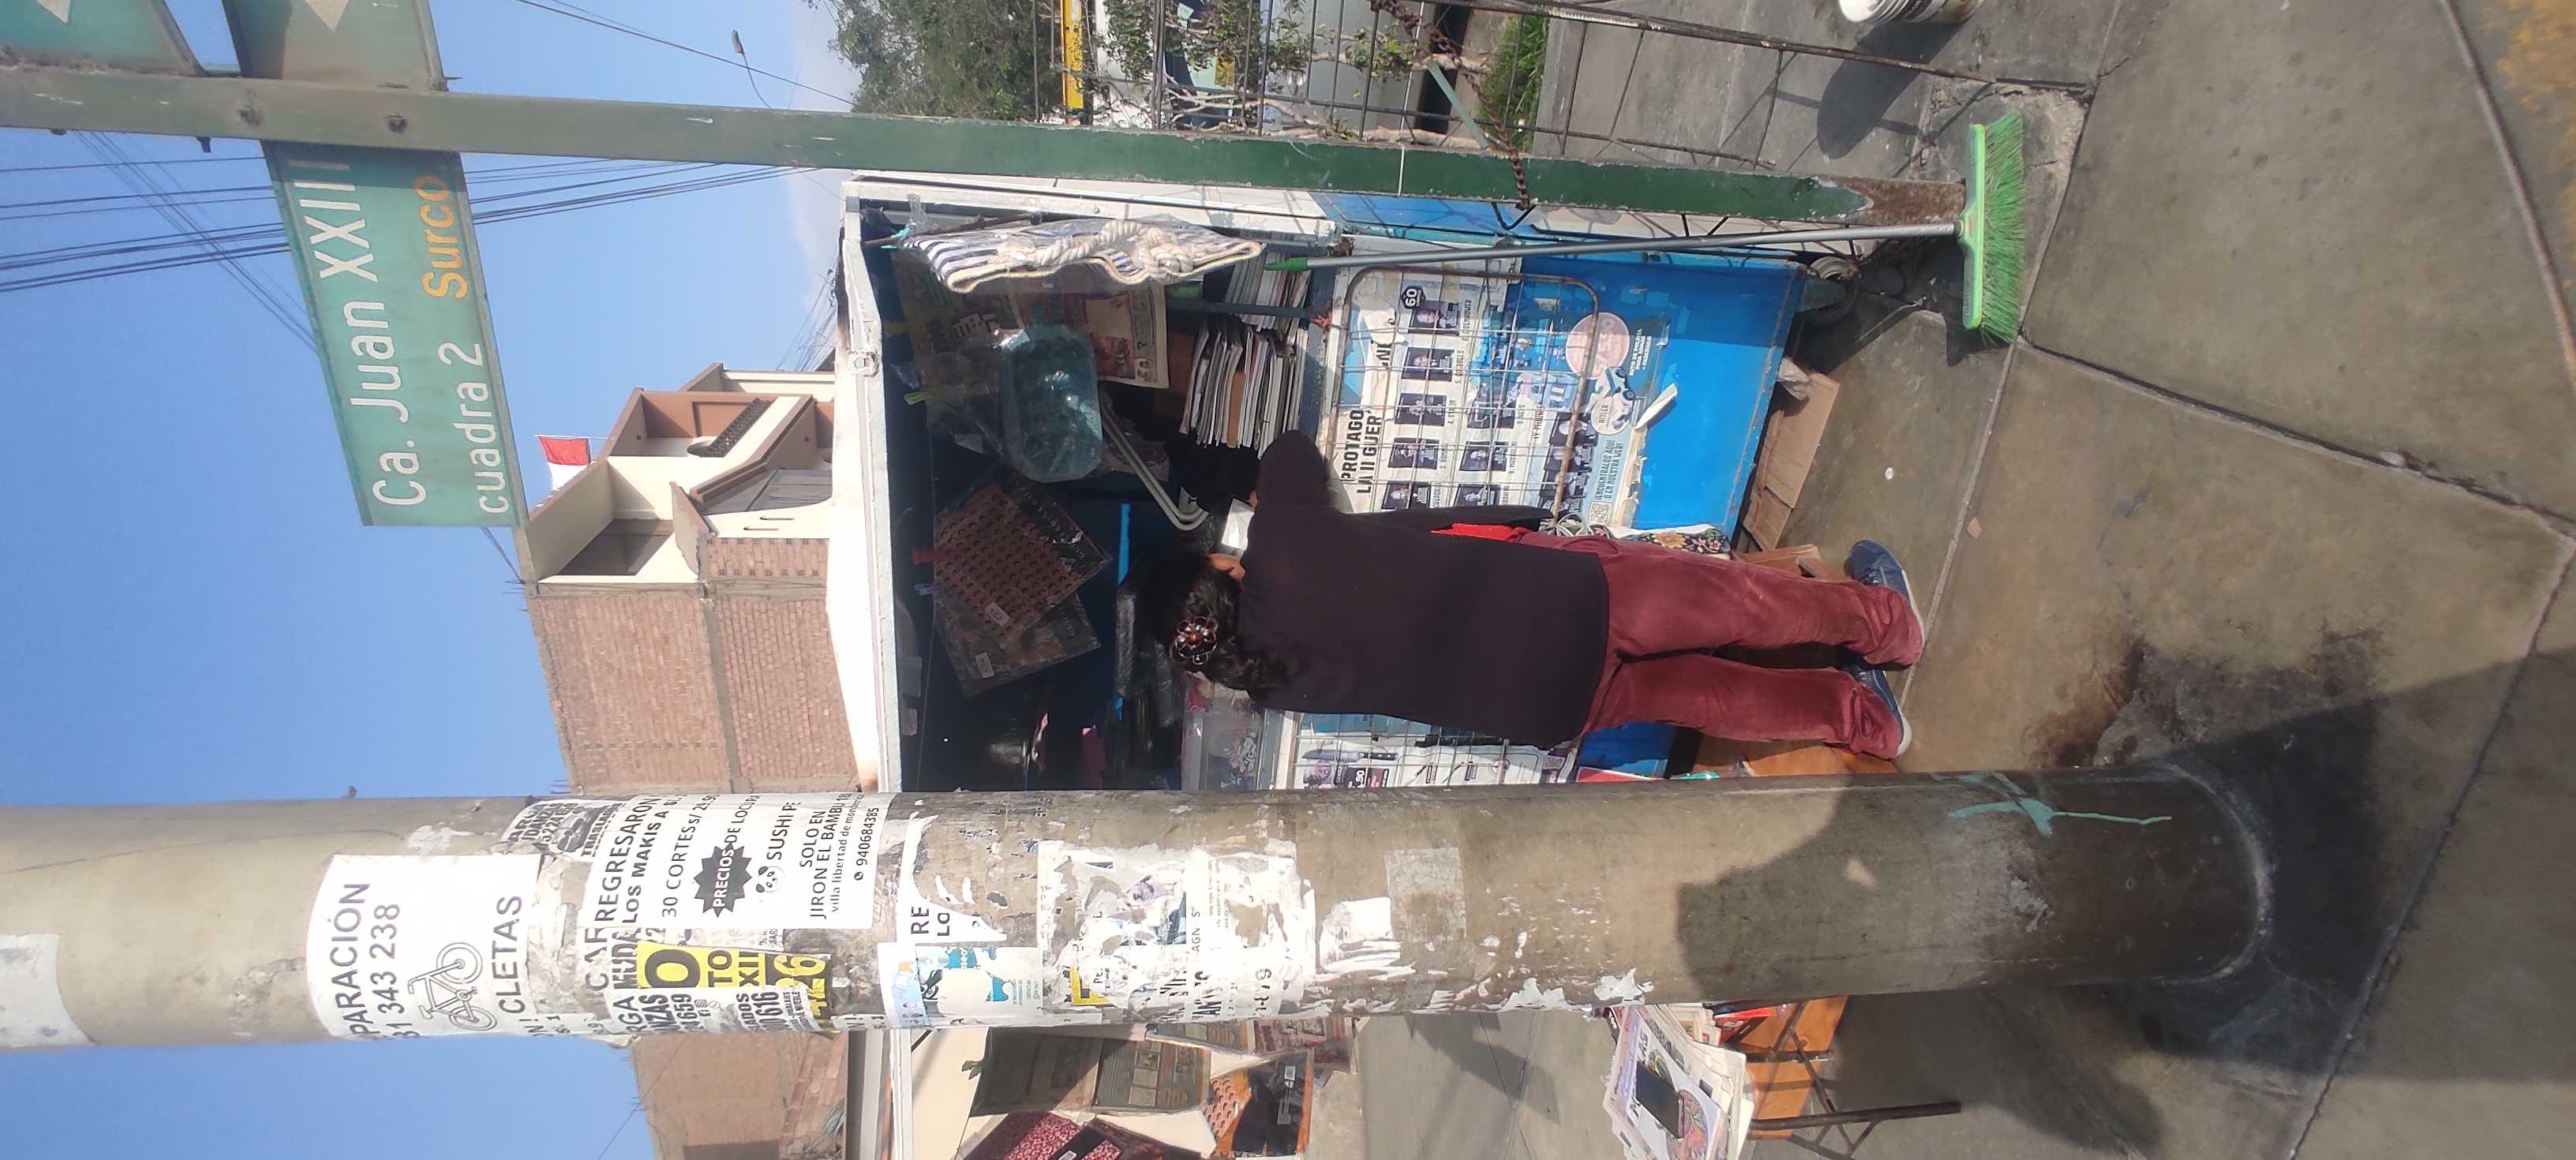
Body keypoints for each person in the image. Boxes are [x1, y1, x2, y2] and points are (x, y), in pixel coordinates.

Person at [1139, 434, 1922, 758]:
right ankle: (1886, 626)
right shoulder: (1282, 542)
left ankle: (1868, 723)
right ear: (1216, 563)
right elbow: (1290, 453)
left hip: (1549, 706)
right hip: (1563, 605)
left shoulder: (1273, 685)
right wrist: (1244, 485)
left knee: (1707, 698)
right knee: (1735, 603)